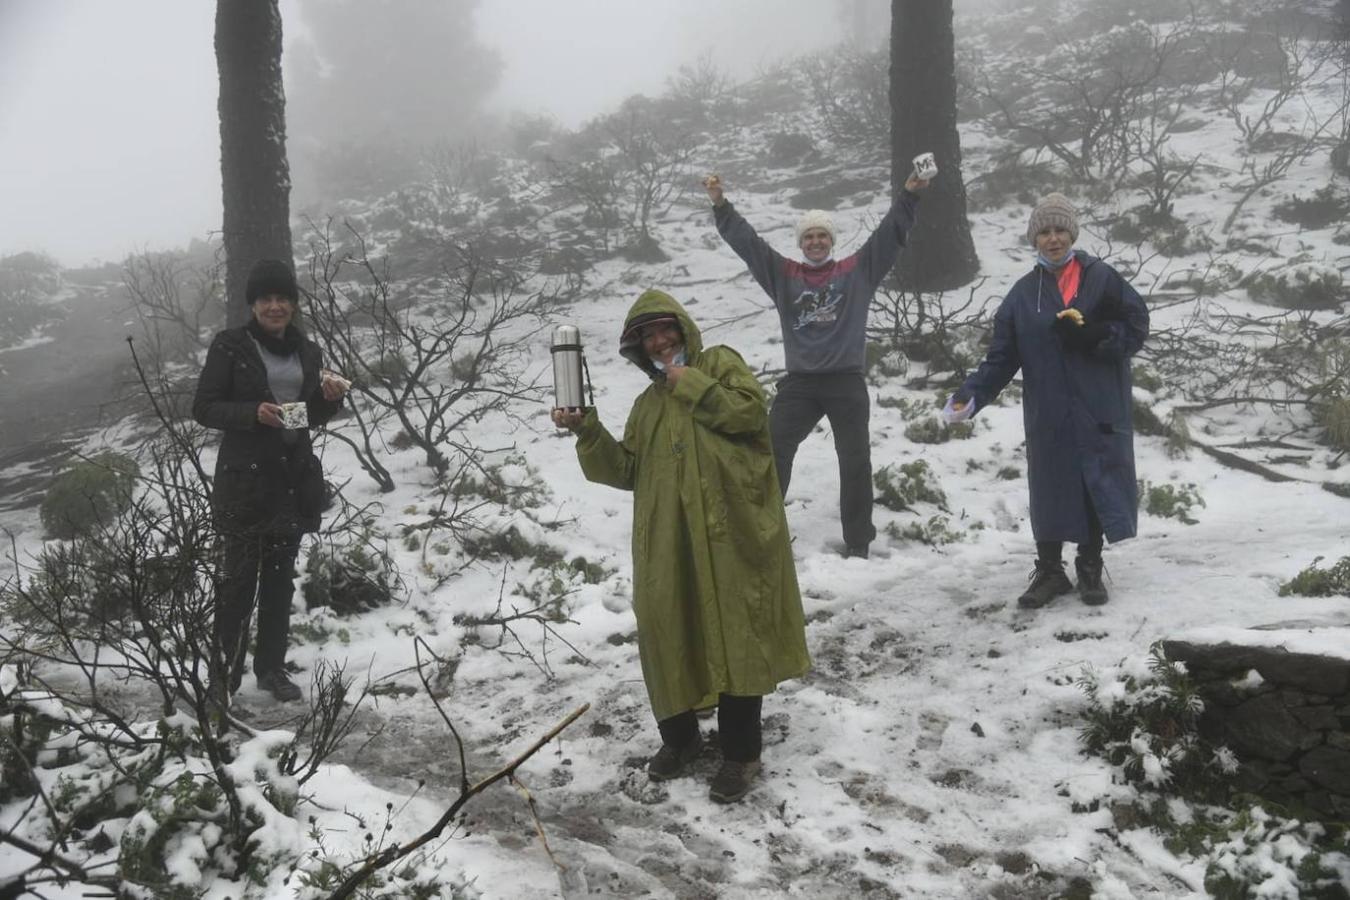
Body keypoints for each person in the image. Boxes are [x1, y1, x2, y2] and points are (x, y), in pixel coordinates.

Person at [552, 288, 810, 804]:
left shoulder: (718, 363)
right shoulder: (647, 406)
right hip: (667, 542)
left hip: (728, 532)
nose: (659, 341)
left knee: (736, 637)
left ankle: (740, 756)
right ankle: (683, 739)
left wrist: (688, 382)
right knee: (668, 632)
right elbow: (627, 470)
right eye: (647, 337)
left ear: (683, 328)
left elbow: (749, 414)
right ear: (637, 348)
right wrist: (588, 430)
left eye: (664, 329)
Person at [705, 171, 929, 559]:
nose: (815, 242)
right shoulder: (783, 275)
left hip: (846, 381)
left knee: (855, 459)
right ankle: (762, 531)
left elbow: (888, 236)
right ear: (800, 243)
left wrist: (909, 195)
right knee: (773, 449)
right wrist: (721, 206)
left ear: (831, 241)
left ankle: (858, 542)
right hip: (800, 384)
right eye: (808, 237)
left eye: (822, 235)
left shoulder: (857, 271)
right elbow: (749, 245)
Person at [943, 193, 1149, 608]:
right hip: (1049, 406)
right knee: (1051, 482)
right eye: (1044, 232)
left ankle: (1090, 566)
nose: (1052, 239)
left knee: (1095, 479)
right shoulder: (1023, 295)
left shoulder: (1101, 278)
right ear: (1034, 239)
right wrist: (972, 394)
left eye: (1059, 230)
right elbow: (1002, 356)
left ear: (1071, 233)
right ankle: (1050, 572)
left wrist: (1095, 336)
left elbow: (1136, 324)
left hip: (1098, 402)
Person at [193, 259, 348, 702]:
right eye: (266, 299)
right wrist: (250, 413)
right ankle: (222, 676)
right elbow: (203, 407)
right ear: (254, 305)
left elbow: (302, 418)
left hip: (291, 479)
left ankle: (271, 670)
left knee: (280, 582)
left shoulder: (307, 350)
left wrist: (329, 401)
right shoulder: (230, 346)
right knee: (238, 582)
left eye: (283, 298)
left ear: (294, 305)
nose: (275, 306)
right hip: (244, 482)